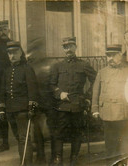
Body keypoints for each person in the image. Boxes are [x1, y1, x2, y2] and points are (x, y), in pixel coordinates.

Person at [49, 37, 96, 166]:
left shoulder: (83, 65)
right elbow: (51, 85)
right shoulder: (57, 66)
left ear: (75, 47)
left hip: (77, 105)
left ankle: (74, 158)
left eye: (70, 46)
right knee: (59, 133)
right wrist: (59, 93)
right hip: (62, 106)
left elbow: (96, 81)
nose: (68, 49)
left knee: (76, 132)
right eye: (65, 47)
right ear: (63, 49)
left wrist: (87, 96)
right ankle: (58, 159)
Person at [0, 41, 39, 165]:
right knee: (19, 138)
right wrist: (1, 108)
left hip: (23, 110)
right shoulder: (7, 71)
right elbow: (2, 90)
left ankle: (26, 164)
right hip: (10, 110)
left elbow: (33, 89)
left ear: (20, 53)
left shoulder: (27, 69)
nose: (12, 56)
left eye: (15, 52)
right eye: (9, 53)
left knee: (23, 138)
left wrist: (31, 108)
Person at [92, 45, 128, 164]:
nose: (110, 58)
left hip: (124, 113)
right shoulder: (102, 72)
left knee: (125, 145)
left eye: (113, 55)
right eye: (108, 55)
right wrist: (95, 109)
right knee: (110, 145)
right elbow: (96, 92)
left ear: (120, 55)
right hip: (107, 113)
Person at [0, 20, 19, 153]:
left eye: (5, 29)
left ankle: (21, 141)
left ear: (8, 30)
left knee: (16, 114)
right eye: (0, 29)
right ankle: (5, 142)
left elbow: (23, 63)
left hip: (15, 84)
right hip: (0, 85)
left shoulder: (15, 45)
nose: (2, 32)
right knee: (2, 114)